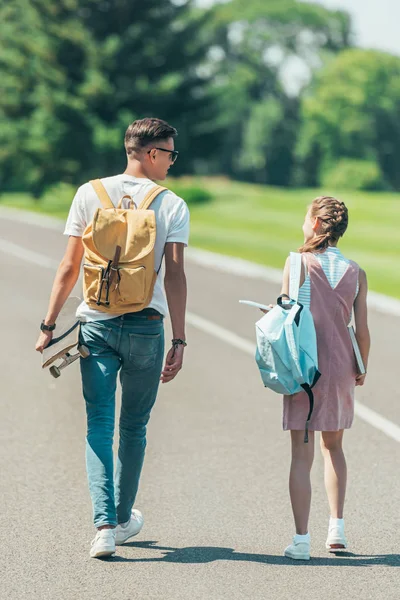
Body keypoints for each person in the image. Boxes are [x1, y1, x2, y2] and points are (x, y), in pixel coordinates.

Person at [35, 117, 190, 558]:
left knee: (98, 424)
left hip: (96, 324)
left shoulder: (90, 193)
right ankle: (122, 519)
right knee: (134, 426)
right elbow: (175, 275)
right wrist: (179, 339)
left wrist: (49, 325)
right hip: (146, 326)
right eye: (170, 154)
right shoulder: (172, 205)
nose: (172, 163)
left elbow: (69, 266)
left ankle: (103, 526)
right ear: (151, 153)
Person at [278, 196, 370, 560]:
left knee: (301, 457)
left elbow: (286, 314)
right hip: (340, 367)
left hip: (303, 368)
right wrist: (362, 367)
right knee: (334, 447)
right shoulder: (356, 272)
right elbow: (361, 330)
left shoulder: (296, 263)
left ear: (316, 223)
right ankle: (337, 530)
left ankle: (301, 541)